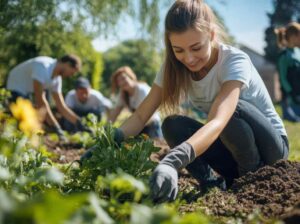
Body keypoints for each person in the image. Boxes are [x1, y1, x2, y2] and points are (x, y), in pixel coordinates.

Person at [83, 0, 289, 203]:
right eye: (179, 50)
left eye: (196, 48)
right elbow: (140, 115)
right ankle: (212, 183)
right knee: (172, 125)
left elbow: (218, 120)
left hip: (271, 149)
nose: (189, 59)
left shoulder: (234, 61)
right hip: (232, 148)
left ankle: (251, 180)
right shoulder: (172, 68)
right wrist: (107, 143)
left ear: (211, 35)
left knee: (232, 111)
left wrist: (172, 161)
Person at [6, 54, 90, 138]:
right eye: (72, 72)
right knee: (22, 120)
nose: (70, 75)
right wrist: (56, 127)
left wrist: (79, 122)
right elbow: (40, 101)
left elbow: (61, 106)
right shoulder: (43, 66)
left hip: (26, 91)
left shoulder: (57, 79)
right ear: (67, 64)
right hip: (15, 86)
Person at [108, 66, 163, 139]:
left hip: (152, 125)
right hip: (139, 127)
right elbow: (115, 113)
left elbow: (150, 113)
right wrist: (106, 129)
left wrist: (130, 127)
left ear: (130, 77)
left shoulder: (142, 89)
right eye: (119, 81)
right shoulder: (123, 95)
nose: (122, 82)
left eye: (124, 78)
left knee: (154, 147)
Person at [275, 22, 300, 122]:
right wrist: (293, 94)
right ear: (293, 37)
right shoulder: (284, 56)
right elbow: (283, 78)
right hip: (291, 99)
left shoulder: (298, 52)